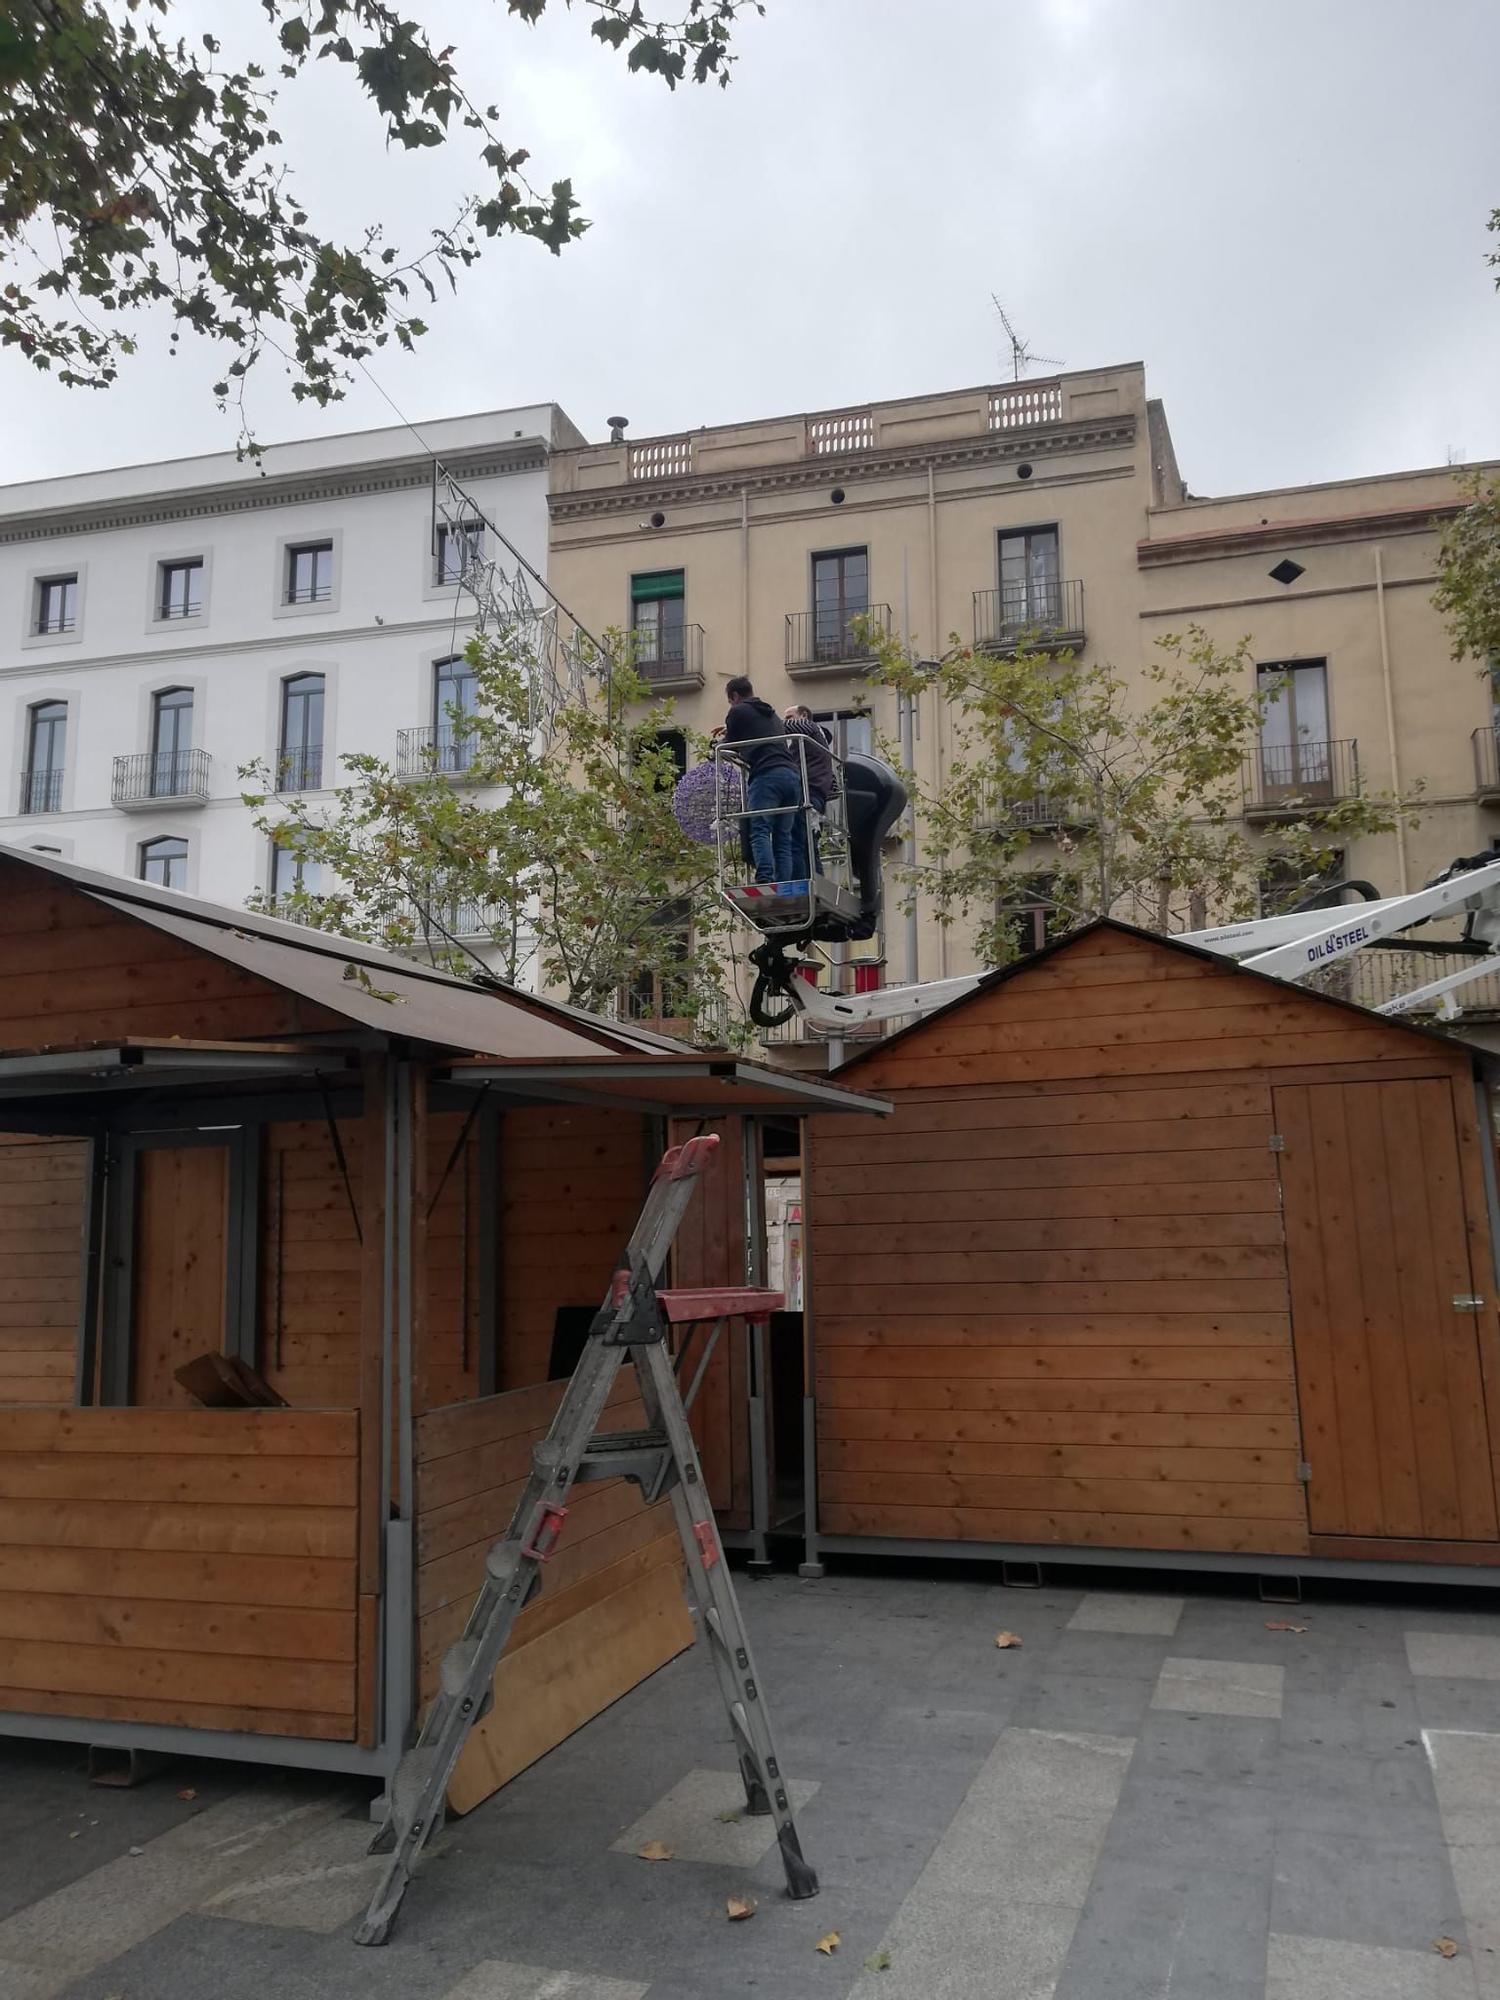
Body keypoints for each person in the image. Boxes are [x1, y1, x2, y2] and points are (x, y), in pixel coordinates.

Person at [722, 676, 801, 883]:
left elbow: (730, 744)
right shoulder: (772, 714)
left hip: (767, 776)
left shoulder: (737, 711)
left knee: (760, 829)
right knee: (783, 836)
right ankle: (784, 883)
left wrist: (715, 747)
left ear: (735, 696)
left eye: (730, 701)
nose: (731, 705)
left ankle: (765, 879)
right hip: (792, 777)